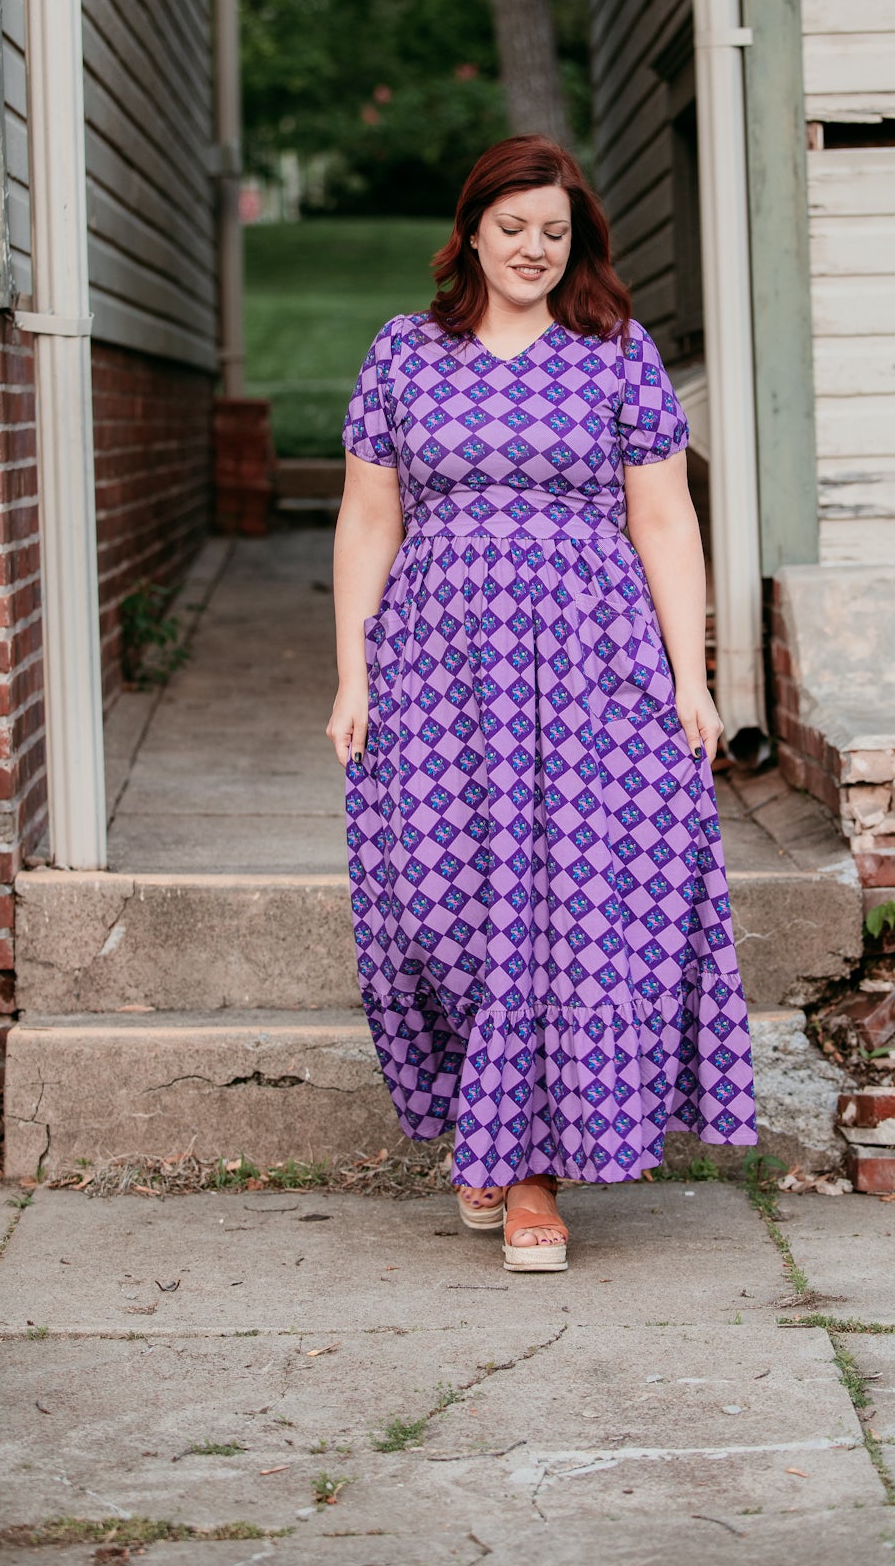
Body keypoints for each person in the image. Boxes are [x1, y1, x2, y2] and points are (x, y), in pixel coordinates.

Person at [327, 134, 756, 1271]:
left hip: (593, 661)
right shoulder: (405, 353)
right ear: (471, 230)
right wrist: (352, 668)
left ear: (579, 243)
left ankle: (528, 1175)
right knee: (439, 901)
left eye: (554, 232)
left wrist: (691, 673)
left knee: (574, 909)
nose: (533, 248)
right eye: (513, 227)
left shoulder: (614, 350)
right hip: (438, 660)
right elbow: (370, 518)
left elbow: (664, 519)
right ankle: (487, 1122)